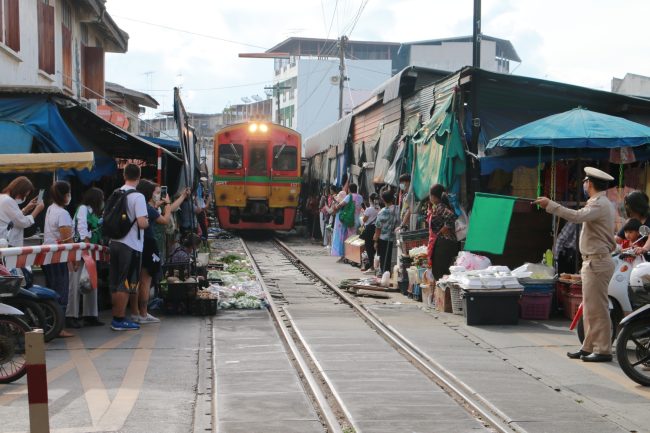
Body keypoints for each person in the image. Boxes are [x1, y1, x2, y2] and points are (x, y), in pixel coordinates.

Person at [535, 167, 616, 362]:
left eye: (585, 181)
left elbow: (577, 216)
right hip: (592, 261)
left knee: (598, 308)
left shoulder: (600, 204)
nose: (583, 184)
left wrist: (551, 205)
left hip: (597, 262)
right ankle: (588, 347)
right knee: (589, 308)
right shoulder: (598, 202)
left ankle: (603, 349)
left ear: (590, 183)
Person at [131, 180, 189, 324]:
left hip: (138, 244)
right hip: (149, 244)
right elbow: (165, 220)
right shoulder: (148, 208)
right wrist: (168, 203)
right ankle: (143, 314)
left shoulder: (142, 206)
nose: (158, 195)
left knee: (135, 281)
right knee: (145, 280)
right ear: (148, 193)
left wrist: (179, 198)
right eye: (156, 192)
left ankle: (135, 313)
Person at [108, 163, 149, 331]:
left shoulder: (116, 193)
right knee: (125, 283)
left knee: (115, 281)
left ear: (124, 175)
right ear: (139, 177)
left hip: (114, 242)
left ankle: (116, 317)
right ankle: (119, 319)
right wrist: (147, 221)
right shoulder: (138, 197)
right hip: (130, 244)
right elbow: (141, 223)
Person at [66, 187, 104, 328]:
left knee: (90, 282)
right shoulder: (83, 209)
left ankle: (91, 315)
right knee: (75, 283)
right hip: (81, 250)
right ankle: (71, 315)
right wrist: (86, 248)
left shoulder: (93, 213)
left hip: (90, 250)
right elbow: (82, 229)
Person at [42, 180, 75, 338]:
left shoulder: (50, 209)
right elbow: (67, 239)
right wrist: (74, 259)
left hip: (48, 257)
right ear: (64, 195)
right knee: (61, 292)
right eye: (68, 193)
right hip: (58, 257)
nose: (70, 196)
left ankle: (52, 324)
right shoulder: (63, 214)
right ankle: (59, 328)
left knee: (52, 291)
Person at [0, 176, 45, 247]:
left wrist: (26, 209)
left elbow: (13, 218)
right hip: (8, 243)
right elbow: (23, 222)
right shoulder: (8, 201)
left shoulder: (2, 197)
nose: (23, 198)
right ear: (18, 191)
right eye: (23, 195)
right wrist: (37, 210)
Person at [427, 184, 460, 280]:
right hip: (446, 242)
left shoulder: (440, 207)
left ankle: (444, 294)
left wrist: (441, 231)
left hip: (444, 243)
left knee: (440, 271)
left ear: (433, 196)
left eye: (430, 195)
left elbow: (451, 217)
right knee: (443, 271)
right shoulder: (439, 206)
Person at [331, 183, 363, 261]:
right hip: (358, 220)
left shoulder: (350, 196)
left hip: (350, 219)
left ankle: (348, 257)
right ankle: (353, 257)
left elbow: (341, 205)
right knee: (356, 238)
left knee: (349, 238)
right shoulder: (360, 197)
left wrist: (335, 207)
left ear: (349, 189)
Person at [374, 190, 399, 274]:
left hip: (384, 239)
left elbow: (378, 228)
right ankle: (391, 274)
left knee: (384, 258)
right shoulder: (398, 209)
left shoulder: (382, 212)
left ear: (383, 200)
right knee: (393, 258)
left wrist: (375, 241)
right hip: (395, 238)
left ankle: (385, 274)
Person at [360, 192, 379, 273]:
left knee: (369, 248)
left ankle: (372, 267)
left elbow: (364, 220)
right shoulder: (379, 209)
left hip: (369, 229)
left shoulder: (369, 209)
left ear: (370, 200)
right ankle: (376, 266)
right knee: (375, 248)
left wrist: (363, 214)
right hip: (377, 229)